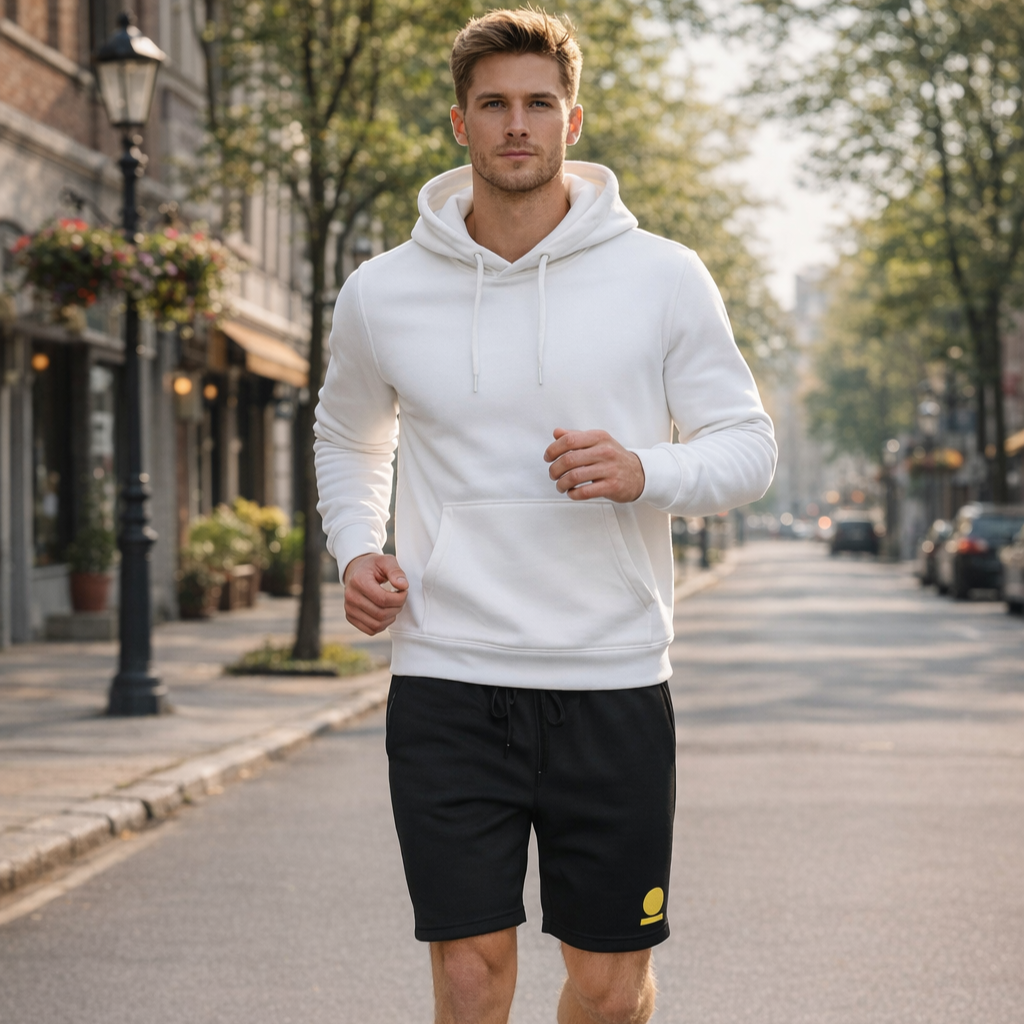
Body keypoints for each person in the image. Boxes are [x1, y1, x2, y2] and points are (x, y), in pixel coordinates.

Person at [314, 9, 776, 1022]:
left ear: (573, 121)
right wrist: (357, 546)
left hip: (607, 675)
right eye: (494, 105)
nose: (515, 124)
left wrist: (642, 467)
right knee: (470, 973)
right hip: (448, 674)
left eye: (537, 103)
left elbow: (749, 448)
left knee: (607, 990)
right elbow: (350, 436)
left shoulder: (662, 275)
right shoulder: (381, 291)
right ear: (459, 124)